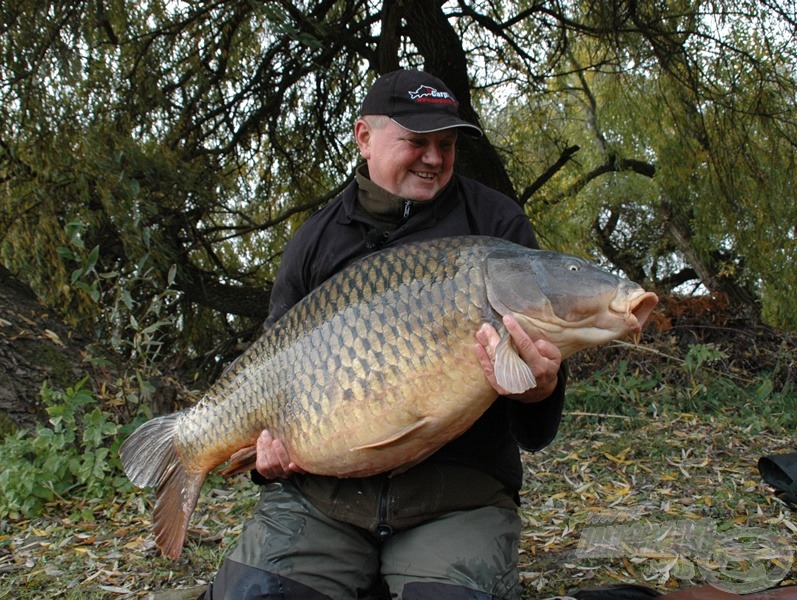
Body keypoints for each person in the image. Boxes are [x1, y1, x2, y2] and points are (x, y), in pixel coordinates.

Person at [203, 69, 567, 600]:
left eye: (446, 144)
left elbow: (536, 430)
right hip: (322, 500)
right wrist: (266, 458)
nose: (435, 159)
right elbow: (269, 379)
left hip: (456, 497)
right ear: (364, 138)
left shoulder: (495, 226)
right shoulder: (314, 242)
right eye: (417, 142)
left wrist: (540, 388)